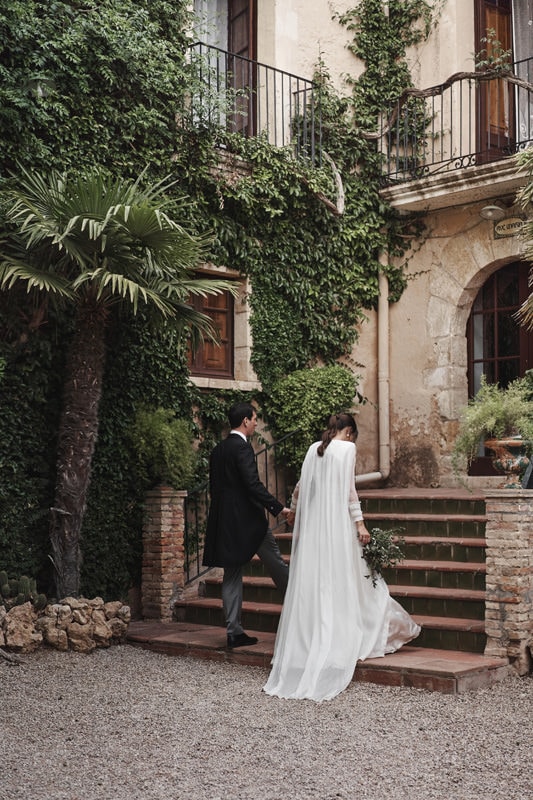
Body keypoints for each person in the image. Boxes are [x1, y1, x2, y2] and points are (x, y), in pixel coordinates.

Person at [263, 412, 420, 701]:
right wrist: (360, 524)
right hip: (337, 528)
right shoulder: (347, 449)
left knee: (318, 579)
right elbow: (350, 492)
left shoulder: (313, 449)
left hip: (314, 530)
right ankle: (347, 634)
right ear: (349, 432)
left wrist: (294, 512)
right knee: (349, 577)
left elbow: (299, 486)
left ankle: (314, 638)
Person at [203, 401, 290, 649]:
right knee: (276, 564)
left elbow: (216, 489)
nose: (255, 424)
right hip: (250, 523)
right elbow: (253, 485)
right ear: (245, 421)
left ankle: (234, 632)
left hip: (226, 523)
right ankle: (301, 610)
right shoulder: (242, 449)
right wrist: (279, 508)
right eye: (254, 419)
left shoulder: (219, 449)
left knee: (232, 574)